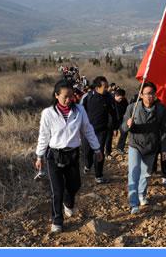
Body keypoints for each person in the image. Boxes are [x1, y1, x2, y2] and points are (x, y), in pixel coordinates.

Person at [35, 80, 103, 233]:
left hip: (72, 155)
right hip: (54, 156)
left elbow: (88, 129)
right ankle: (57, 220)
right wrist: (39, 156)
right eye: (65, 96)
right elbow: (44, 136)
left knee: (74, 186)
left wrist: (97, 149)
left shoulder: (79, 110)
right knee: (57, 191)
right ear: (56, 95)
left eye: (71, 96)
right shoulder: (48, 113)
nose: (69, 100)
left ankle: (69, 202)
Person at [121, 81, 166, 214]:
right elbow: (123, 128)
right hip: (135, 144)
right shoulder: (132, 107)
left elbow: (165, 130)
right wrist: (128, 123)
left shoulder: (161, 109)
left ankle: (142, 195)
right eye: (147, 94)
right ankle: (133, 202)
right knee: (134, 172)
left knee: (147, 173)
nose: (150, 96)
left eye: (152, 93)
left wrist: (164, 148)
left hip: (152, 146)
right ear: (141, 95)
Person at [81, 76, 118, 184]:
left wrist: (115, 127)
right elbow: (79, 112)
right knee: (87, 152)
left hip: (102, 130)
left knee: (99, 152)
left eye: (107, 86)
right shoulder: (87, 97)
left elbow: (113, 113)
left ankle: (99, 175)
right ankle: (87, 165)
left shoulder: (109, 98)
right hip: (87, 130)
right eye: (105, 87)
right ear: (97, 88)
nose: (107, 89)